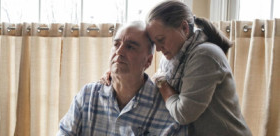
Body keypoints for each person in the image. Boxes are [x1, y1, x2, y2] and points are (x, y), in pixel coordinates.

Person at [57, 21, 188, 136]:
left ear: (148, 61)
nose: (119, 51)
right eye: (116, 44)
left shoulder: (167, 113)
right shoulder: (87, 96)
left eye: (130, 47)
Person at [145, 0, 252, 136]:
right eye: (154, 43)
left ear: (184, 28)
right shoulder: (172, 57)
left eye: (161, 39)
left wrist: (163, 84)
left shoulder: (205, 55)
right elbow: (160, 94)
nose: (158, 49)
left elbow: (183, 113)